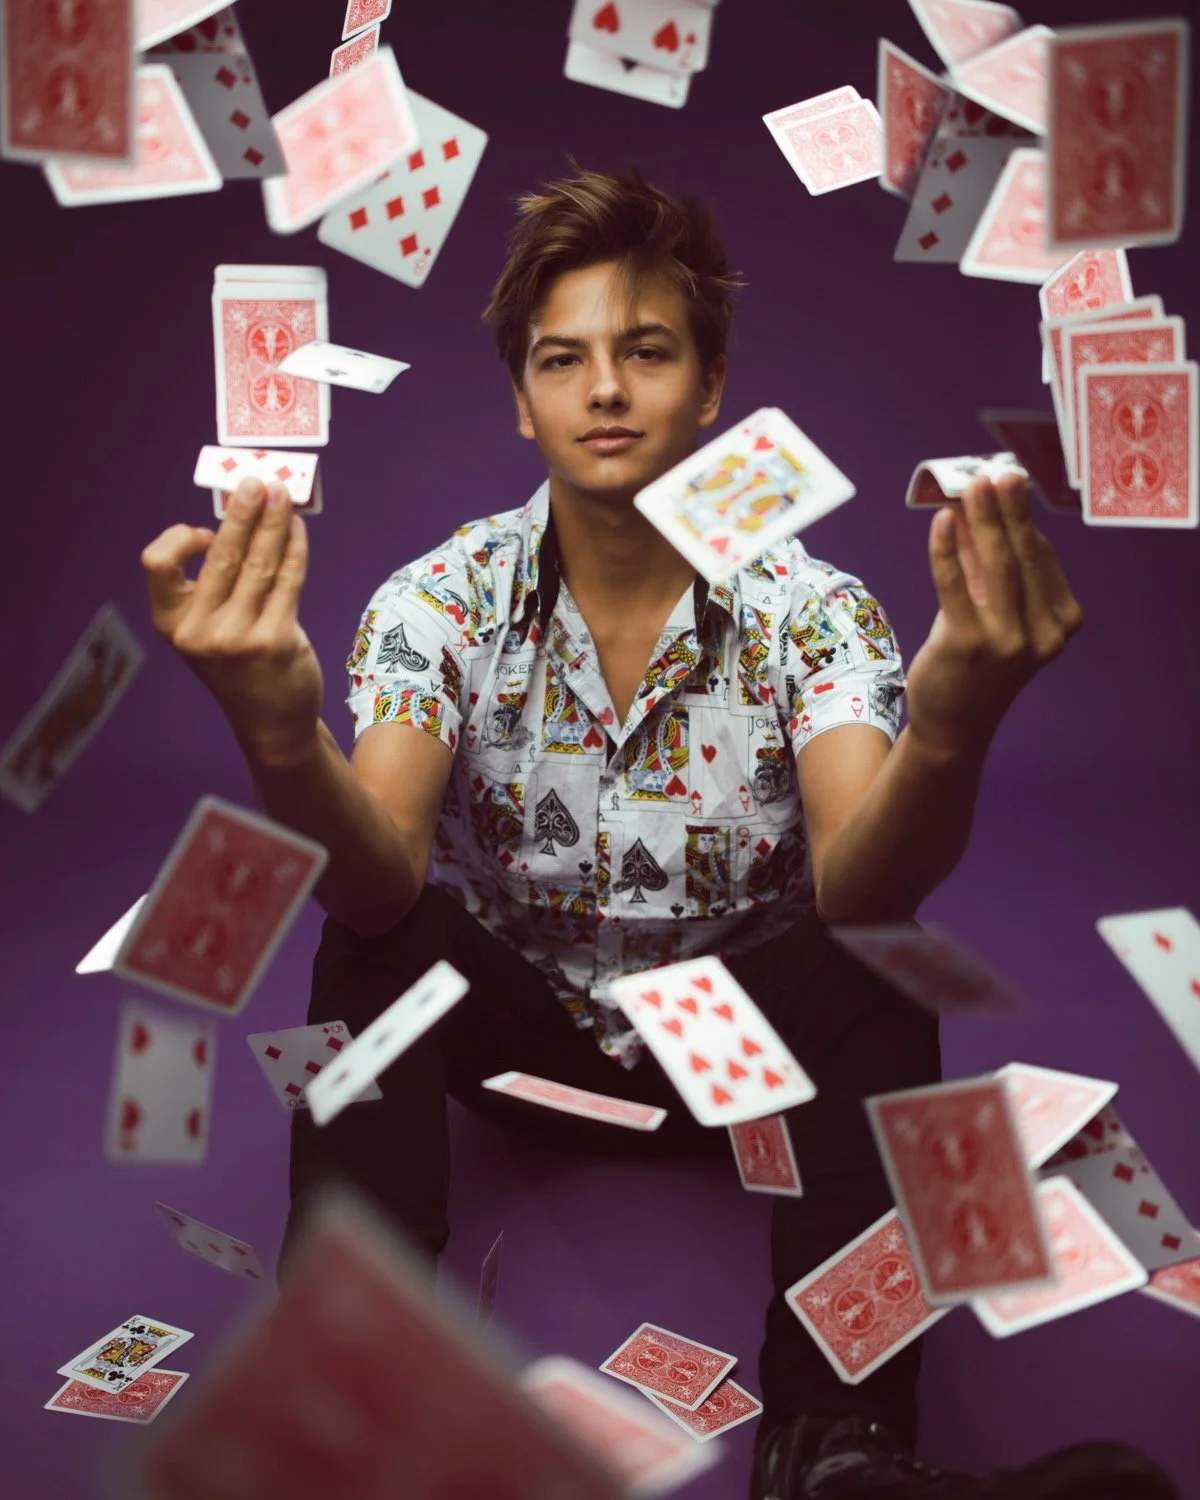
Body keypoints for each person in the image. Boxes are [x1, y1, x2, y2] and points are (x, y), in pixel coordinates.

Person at [140, 164, 1178, 1500]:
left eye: (645, 350)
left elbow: (865, 891)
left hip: (737, 1052)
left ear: (711, 383)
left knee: (882, 955)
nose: (608, 390)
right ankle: (347, 1413)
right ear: (521, 400)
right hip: (513, 1039)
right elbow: (385, 867)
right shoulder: (437, 599)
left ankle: (835, 1451)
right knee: (378, 938)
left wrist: (950, 725)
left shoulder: (814, 604)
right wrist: (280, 733)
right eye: (563, 360)